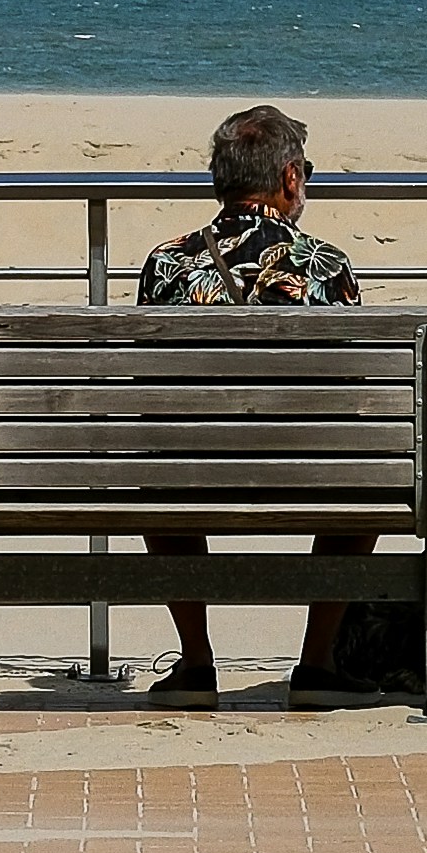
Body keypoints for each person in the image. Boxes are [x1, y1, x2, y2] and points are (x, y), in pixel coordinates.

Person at [136, 103, 376, 712]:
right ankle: (317, 664)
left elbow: (146, 390)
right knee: (365, 475)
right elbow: (353, 388)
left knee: (160, 468)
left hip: (191, 478)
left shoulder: (166, 265)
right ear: (290, 178)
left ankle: (195, 664)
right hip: (309, 480)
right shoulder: (328, 267)